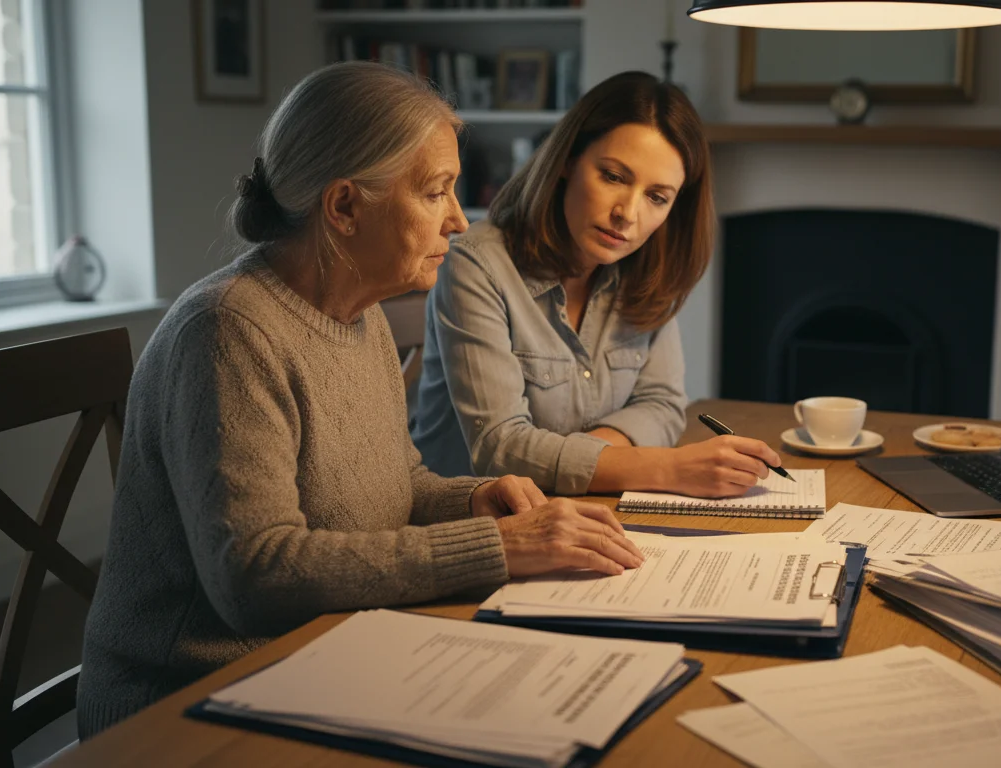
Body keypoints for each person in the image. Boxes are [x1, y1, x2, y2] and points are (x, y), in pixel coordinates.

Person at [77, 62, 642, 738]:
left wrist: (474, 499)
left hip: (323, 658)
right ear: (344, 207)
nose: (460, 221)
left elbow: (396, 482)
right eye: (436, 192)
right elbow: (254, 577)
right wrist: (491, 546)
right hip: (185, 707)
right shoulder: (227, 331)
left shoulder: (359, 312)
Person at [409, 71, 783, 498]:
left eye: (656, 197)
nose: (628, 213)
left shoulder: (645, 270)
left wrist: (590, 461)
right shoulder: (477, 263)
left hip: (584, 507)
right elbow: (502, 448)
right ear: (568, 160)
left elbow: (662, 404)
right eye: (613, 176)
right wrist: (666, 468)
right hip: (471, 526)